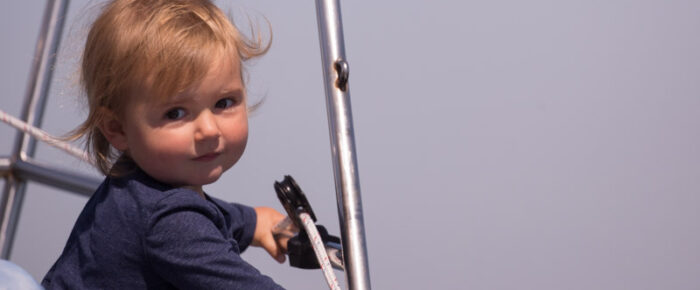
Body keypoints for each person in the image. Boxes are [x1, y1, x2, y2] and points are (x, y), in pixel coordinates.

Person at [41, 0, 288, 289]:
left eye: (223, 103)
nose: (208, 130)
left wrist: (252, 222)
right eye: (176, 113)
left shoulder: (141, 188)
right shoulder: (169, 223)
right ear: (117, 128)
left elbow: (196, 212)